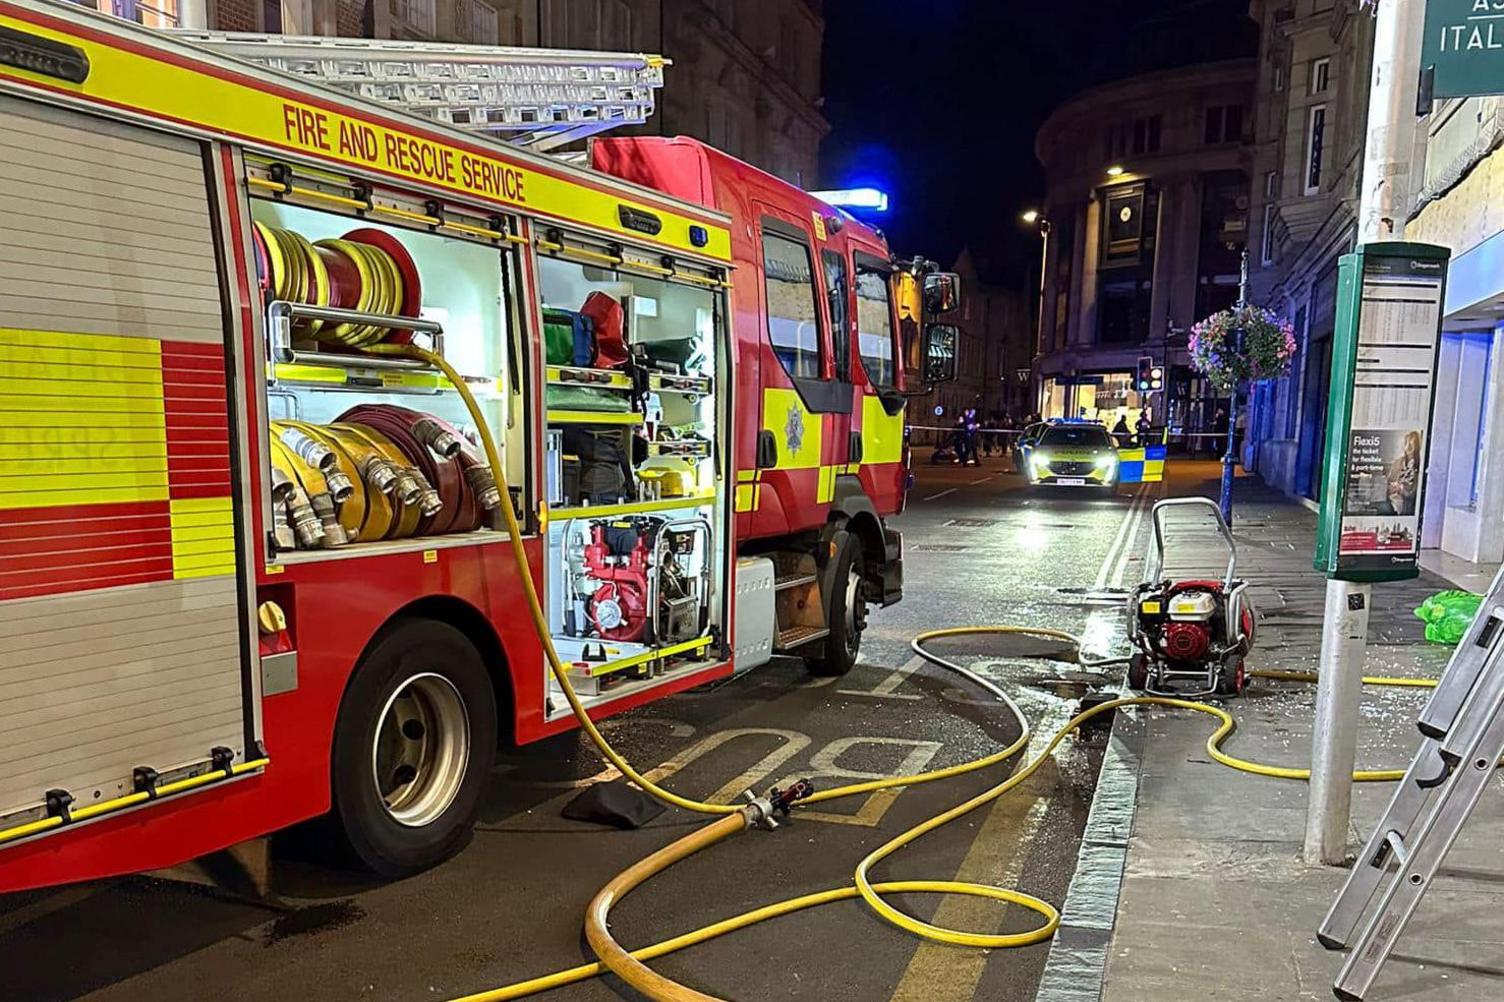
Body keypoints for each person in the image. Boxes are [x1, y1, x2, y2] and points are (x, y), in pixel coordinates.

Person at [1385, 431, 1422, 515]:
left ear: (1416, 447)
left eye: (1411, 444)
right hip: (1392, 500)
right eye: (1406, 443)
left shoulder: (1420, 465)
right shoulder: (1397, 462)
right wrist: (1392, 487)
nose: (1407, 447)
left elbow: (1415, 494)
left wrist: (1402, 490)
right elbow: (1388, 483)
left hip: (1407, 504)